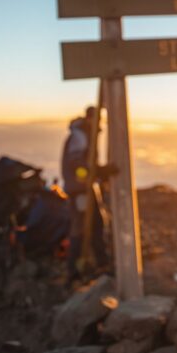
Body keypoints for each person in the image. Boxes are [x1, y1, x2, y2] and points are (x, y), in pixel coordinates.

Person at [61, 106, 110, 280]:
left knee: (95, 223)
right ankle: (75, 270)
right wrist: (98, 172)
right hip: (80, 191)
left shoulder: (84, 134)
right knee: (82, 226)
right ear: (91, 118)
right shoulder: (80, 136)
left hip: (84, 188)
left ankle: (99, 263)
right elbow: (77, 165)